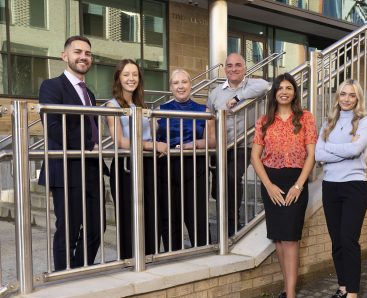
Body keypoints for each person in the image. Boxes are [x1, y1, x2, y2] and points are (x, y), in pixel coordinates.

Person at [38, 35, 107, 270]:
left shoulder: (89, 93)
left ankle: (79, 269)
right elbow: (54, 127)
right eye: (78, 52)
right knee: (68, 229)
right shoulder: (51, 86)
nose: (83, 57)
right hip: (66, 169)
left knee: (97, 228)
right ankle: (63, 278)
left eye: (87, 53)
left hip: (90, 169)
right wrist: (89, 145)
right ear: (64, 55)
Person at [251, 73, 317, 298]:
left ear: (295, 92)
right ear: (275, 93)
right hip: (272, 182)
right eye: (280, 88)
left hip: (295, 182)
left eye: (289, 88)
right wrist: (267, 185)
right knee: (278, 239)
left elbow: (311, 155)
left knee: (291, 239)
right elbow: (255, 157)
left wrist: (299, 185)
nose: (284, 92)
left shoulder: (306, 118)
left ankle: (290, 296)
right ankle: (286, 285)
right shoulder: (264, 121)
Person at [315, 79, 367, 298]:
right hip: (331, 187)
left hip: (354, 187)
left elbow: (355, 151)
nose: (347, 99)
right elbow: (318, 154)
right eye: (343, 94)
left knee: (349, 240)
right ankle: (342, 287)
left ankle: (353, 295)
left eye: (352, 95)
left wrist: (330, 152)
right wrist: (338, 151)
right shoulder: (329, 124)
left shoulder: (365, 122)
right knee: (337, 241)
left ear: (358, 98)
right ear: (337, 97)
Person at [106, 59, 167, 258]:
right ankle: (129, 260)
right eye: (126, 74)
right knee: (128, 215)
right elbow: (121, 141)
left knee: (151, 212)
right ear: (118, 78)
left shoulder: (142, 104)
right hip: (126, 166)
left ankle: (149, 256)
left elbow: (152, 132)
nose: (131, 78)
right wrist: (152, 145)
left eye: (134, 74)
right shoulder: (112, 105)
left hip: (149, 165)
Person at [207, 53, 270, 236]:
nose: (233, 69)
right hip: (221, 147)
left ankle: (233, 225)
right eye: (229, 66)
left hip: (244, 145)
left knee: (232, 177)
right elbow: (209, 116)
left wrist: (238, 97)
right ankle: (224, 221)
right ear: (225, 69)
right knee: (219, 186)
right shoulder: (216, 92)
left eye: (237, 65)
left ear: (245, 68)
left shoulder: (253, 85)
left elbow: (266, 86)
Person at [158, 69, 208, 251]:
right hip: (166, 167)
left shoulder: (204, 110)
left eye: (184, 82)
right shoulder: (160, 110)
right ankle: (172, 255)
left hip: (194, 166)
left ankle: (202, 252)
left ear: (190, 84)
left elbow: (212, 140)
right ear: (171, 87)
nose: (180, 86)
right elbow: (153, 139)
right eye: (176, 83)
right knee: (169, 216)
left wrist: (192, 144)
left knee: (196, 215)